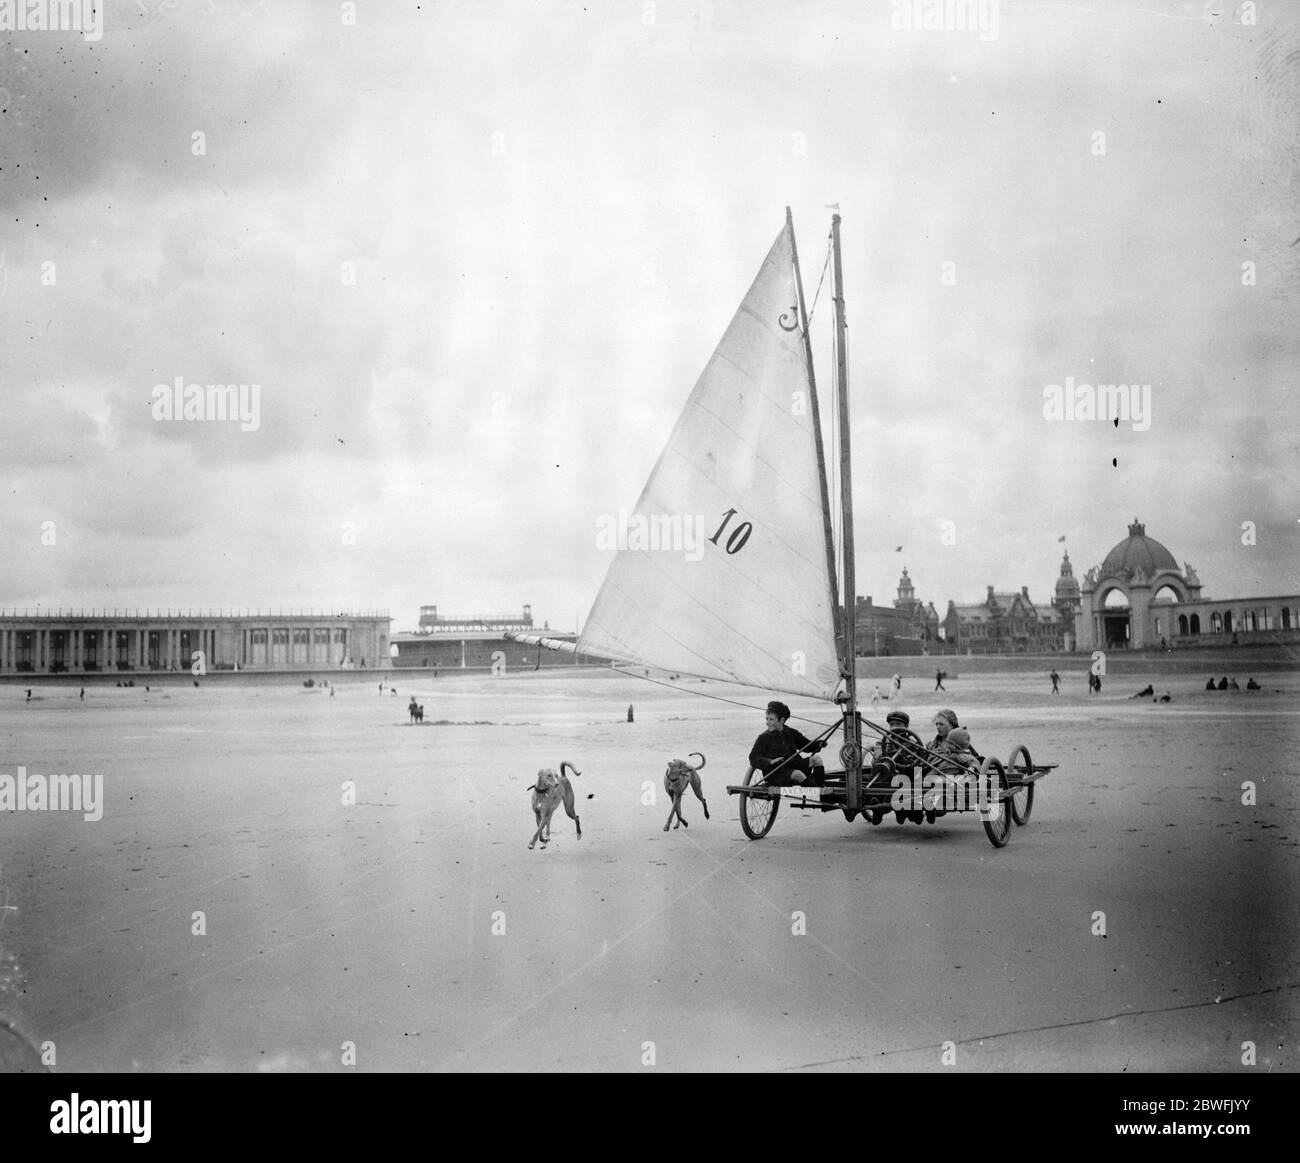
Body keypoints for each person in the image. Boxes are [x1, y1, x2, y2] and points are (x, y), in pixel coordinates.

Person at [747, 701, 826, 787]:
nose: (767, 722)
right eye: (767, 719)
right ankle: (818, 791)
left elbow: (806, 745)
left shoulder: (790, 732)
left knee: (817, 759)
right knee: (798, 774)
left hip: (793, 765)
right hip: (776, 772)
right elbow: (753, 757)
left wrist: (818, 744)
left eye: (771, 719)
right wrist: (770, 761)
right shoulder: (763, 738)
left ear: (782, 720)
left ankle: (822, 790)